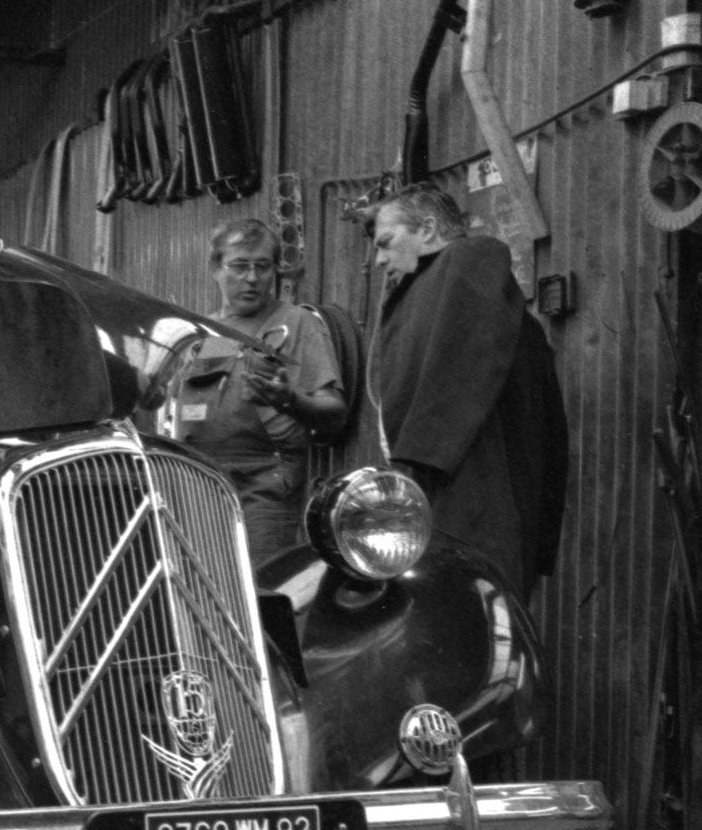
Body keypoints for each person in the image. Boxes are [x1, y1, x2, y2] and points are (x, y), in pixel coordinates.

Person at [366, 182, 569, 599]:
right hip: (459, 488)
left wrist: (414, 467)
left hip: (467, 494)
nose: (380, 259)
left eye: (386, 243)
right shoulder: (438, 293)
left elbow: (454, 375)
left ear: (427, 229)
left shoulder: (467, 262)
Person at [173, 218, 350, 563]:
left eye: (262, 267)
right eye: (240, 266)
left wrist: (290, 400)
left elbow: (335, 412)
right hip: (197, 481)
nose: (252, 278)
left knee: (262, 588)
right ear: (215, 268)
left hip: (265, 482)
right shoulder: (198, 334)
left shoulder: (297, 323)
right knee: (201, 585)